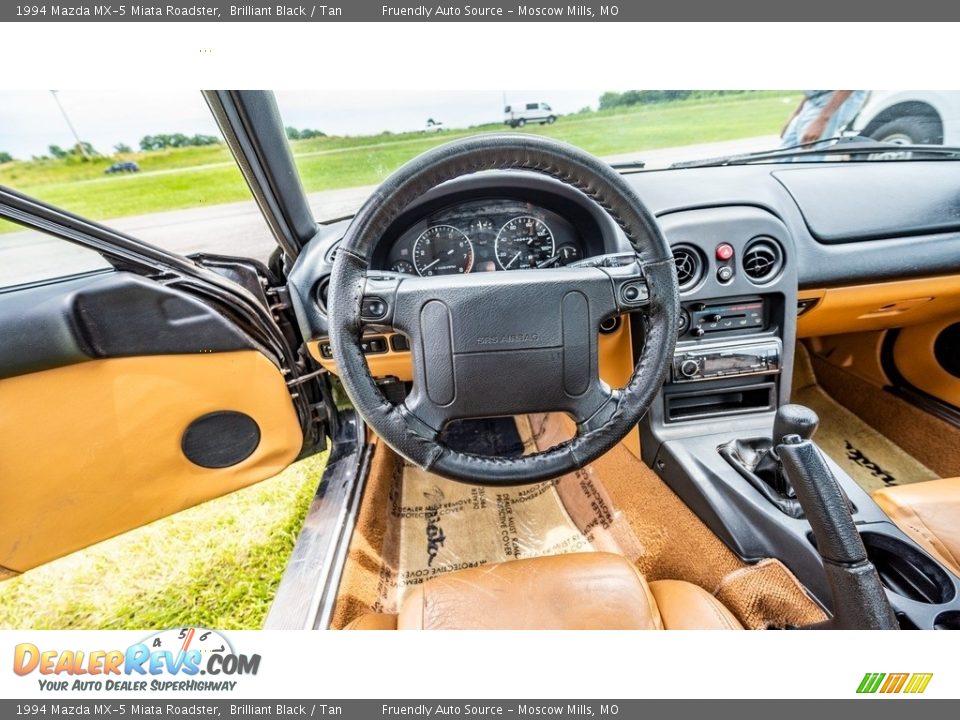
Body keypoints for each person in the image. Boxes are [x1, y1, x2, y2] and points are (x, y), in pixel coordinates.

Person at [780, 91, 868, 148]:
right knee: (783, 157)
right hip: (812, 102)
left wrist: (823, 119)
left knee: (807, 161)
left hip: (830, 103)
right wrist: (796, 114)